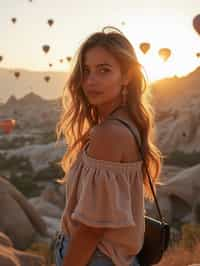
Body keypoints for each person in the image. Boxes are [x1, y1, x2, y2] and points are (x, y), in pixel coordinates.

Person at [54, 26, 163, 266]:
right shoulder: (129, 122)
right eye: (86, 70)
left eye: (104, 70)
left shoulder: (109, 133)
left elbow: (91, 227)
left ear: (126, 76)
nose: (91, 81)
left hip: (94, 258)